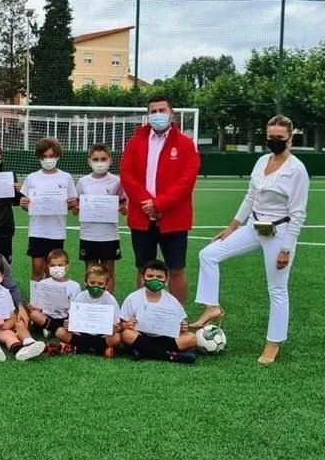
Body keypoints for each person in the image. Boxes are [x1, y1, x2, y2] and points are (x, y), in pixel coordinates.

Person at [193, 115, 310, 365]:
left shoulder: (296, 170)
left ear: (290, 137)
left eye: (280, 137)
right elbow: (250, 197)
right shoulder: (261, 161)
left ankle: (273, 343)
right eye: (271, 137)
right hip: (253, 226)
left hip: (279, 233)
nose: (275, 141)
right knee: (208, 254)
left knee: (277, 289)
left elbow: (298, 214)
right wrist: (232, 227)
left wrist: (286, 249)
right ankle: (212, 307)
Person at [120, 95, 200, 304]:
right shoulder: (136, 141)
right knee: (143, 268)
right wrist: (147, 203)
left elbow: (187, 181)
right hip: (141, 215)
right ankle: (143, 312)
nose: (157, 115)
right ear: (148, 114)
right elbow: (127, 175)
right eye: (153, 111)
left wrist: (159, 204)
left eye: (162, 110)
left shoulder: (185, 144)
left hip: (174, 217)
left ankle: (177, 317)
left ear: (171, 113)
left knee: (176, 269)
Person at [19, 138, 78, 281]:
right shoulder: (32, 178)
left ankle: (53, 300)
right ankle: (35, 301)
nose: (48, 160)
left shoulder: (66, 177)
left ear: (57, 156)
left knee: (55, 270)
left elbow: (72, 203)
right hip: (37, 230)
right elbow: (26, 204)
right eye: (44, 156)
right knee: (37, 268)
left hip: (56, 231)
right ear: (39, 157)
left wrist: (71, 204)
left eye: (51, 156)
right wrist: (24, 204)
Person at [119, 260, 196, 364]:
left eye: (159, 277)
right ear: (142, 278)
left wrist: (183, 327)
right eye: (150, 276)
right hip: (141, 336)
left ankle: (143, 352)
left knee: (191, 338)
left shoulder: (172, 300)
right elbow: (122, 324)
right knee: (126, 334)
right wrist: (128, 324)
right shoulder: (133, 298)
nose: (154, 279)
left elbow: (181, 325)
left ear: (166, 280)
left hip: (164, 338)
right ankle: (170, 356)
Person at [75, 144, 126, 294]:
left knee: (108, 270)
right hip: (88, 234)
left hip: (109, 235)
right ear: (89, 161)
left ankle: (107, 305)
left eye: (103, 159)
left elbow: (124, 204)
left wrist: (124, 209)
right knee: (90, 270)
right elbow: (76, 205)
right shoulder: (83, 181)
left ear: (110, 160)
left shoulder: (117, 181)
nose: (100, 162)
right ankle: (91, 302)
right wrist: (76, 208)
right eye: (96, 159)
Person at [50, 264, 121, 358]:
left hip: (101, 336)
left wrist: (115, 328)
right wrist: (69, 324)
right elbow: (72, 319)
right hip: (82, 334)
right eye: (92, 283)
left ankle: (76, 348)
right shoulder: (80, 296)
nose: (96, 287)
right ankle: (99, 349)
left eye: (100, 284)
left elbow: (118, 326)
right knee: (60, 332)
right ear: (85, 282)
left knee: (117, 338)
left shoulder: (110, 300)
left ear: (106, 284)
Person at [27, 249, 81, 336]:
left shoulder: (74, 286)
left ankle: (51, 329)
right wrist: (36, 308)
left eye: (60, 265)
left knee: (73, 322)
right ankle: (57, 330)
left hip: (64, 318)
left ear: (67, 266)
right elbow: (40, 306)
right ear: (48, 266)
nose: (56, 268)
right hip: (47, 317)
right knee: (34, 314)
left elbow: (76, 308)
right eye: (53, 265)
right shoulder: (43, 283)